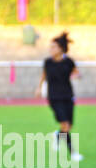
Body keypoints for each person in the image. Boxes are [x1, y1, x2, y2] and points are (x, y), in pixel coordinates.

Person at [35, 32, 83, 161]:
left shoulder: (69, 62)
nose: (51, 49)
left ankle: (57, 136)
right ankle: (73, 153)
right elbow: (43, 75)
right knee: (65, 125)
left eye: (54, 47)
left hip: (68, 96)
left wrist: (77, 76)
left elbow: (77, 73)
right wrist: (39, 88)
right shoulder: (47, 63)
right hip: (54, 97)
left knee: (68, 126)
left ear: (61, 48)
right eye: (50, 47)